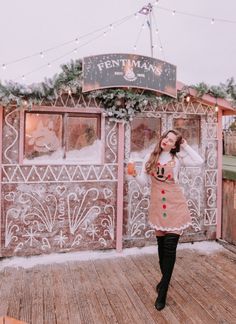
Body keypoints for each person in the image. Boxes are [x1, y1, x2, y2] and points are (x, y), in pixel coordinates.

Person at [129, 129, 204, 311]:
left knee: (170, 249)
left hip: (175, 206)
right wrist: (132, 174)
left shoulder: (178, 160)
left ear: (174, 145)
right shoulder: (150, 157)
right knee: (162, 250)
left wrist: (185, 145)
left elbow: (200, 161)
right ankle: (164, 282)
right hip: (157, 206)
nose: (166, 141)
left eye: (171, 140)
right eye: (165, 137)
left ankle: (162, 293)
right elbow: (144, 183)